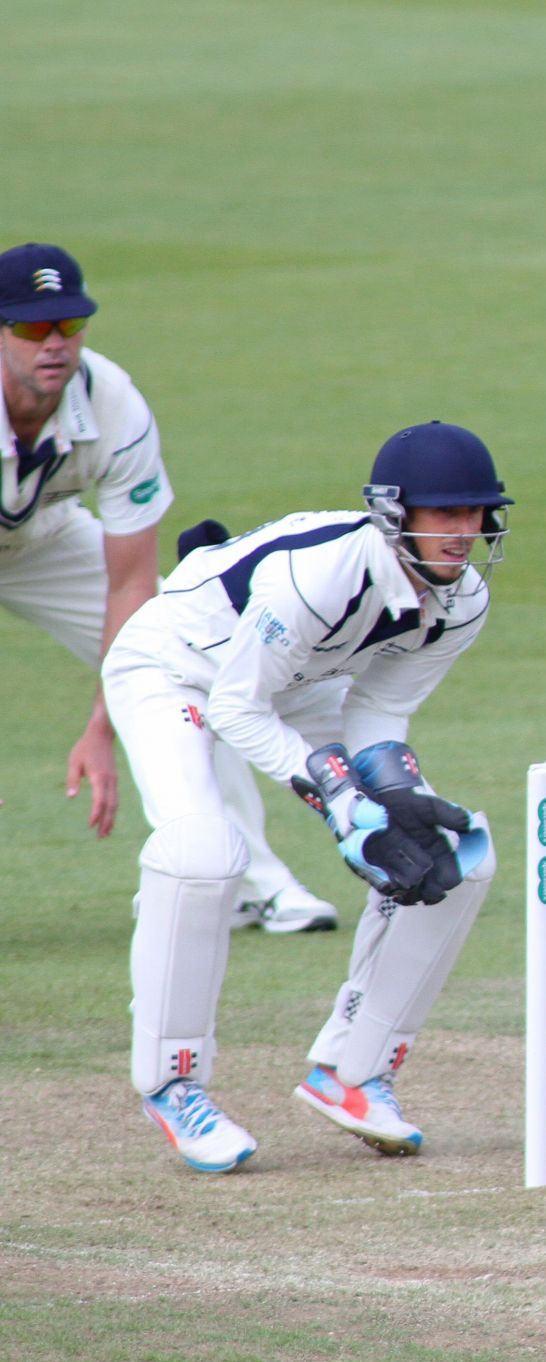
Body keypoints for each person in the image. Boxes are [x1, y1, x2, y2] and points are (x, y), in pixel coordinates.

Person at [101, 420, 510, 1172]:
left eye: (476, 513)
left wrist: (389, 795)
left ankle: (355, 1070)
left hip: (302, 683)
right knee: (202, 852)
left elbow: (378, 712)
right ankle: (174, 1080)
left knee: (450, 854)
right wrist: (345, 804)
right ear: (396, 512)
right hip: (178, 668)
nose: (464, 531)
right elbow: (235, 708)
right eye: (445, 513)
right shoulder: (320, 573)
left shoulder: (464, 601)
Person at [0, 241, 337, 933]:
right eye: (33, 330)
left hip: (42, 537)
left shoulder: (113, 401)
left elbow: (133, 589)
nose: (55, 344)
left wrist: (105, 723)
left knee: (192, 654)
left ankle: (246, 879)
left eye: (70, 325)